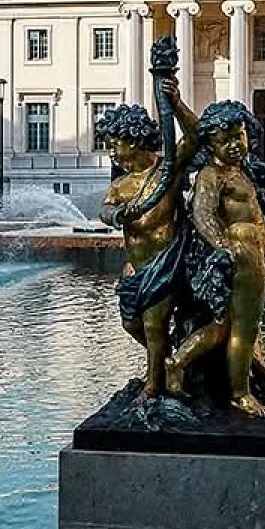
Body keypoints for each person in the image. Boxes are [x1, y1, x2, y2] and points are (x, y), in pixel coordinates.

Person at [164, 101, 265, 418]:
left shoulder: (239, 172)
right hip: (241, 256)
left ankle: (177, 362)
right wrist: (225, 248)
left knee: (224, 327)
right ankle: (241, 394)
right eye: (225, 140)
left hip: (250, 255)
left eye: (239, 136)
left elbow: (249, 204)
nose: (235, 145)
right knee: (245, 329)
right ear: (210, 143)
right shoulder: (212, 175)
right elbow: (202, 215)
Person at [98, 80, 198, 399]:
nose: (112, 153)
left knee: (154, 326)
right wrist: (117, 216)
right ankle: (170, 362)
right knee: (132, 325)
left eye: (116, 145)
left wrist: (178, 104)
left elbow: (195, 137)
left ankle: (153, 386)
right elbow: (105, 210)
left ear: (135, 140)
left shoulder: (167, 172)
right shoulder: (122, 184)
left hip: (165, 263)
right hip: (134, 268)